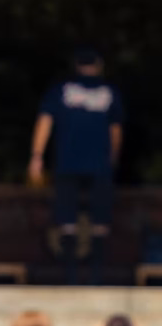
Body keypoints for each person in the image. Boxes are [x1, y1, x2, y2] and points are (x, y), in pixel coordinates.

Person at [29, 47, 123, 285]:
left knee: (68, 218)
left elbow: (44, 122)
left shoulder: (60, 91)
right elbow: (116, 131)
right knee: (96, 220)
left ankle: (73, 275)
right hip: (96, 163)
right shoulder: (108, 92)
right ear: (99, 65)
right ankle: (94, 275)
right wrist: (112, 157)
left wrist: (37, 156)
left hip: (68, 163)